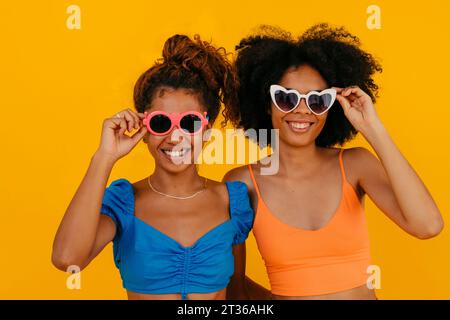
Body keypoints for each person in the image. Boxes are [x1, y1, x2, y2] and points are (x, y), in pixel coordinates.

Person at [224, 24, 443, 300]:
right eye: (286, 98)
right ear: (266, 104)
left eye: (317, 100)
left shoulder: (355, 165)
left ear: (331, 107)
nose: (302, 109)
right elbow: (233, 287)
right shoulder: (241, 183)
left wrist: (372, 127)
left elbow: (427, 226)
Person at [52, 34, 254, 300]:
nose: (174, 137)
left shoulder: (232, 201)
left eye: (189, 123)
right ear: (144, 128)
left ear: (206, 129)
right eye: (161, 123)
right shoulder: (125, 203)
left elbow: (237, 293)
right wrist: (104, 157)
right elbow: (68, 259)